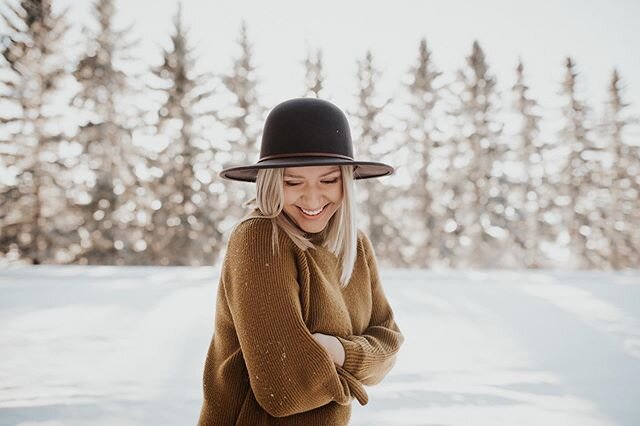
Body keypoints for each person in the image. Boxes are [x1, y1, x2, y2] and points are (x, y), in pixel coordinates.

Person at [198, 97, 404, 425]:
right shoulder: (260, 238)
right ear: (270, 182)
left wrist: (336, 352)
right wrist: (360, 375)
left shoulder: (354, 244)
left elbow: (389, 341)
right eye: (293, 182)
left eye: (328, 180)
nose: (311, 198)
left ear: (346, 181)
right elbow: (285, 387)